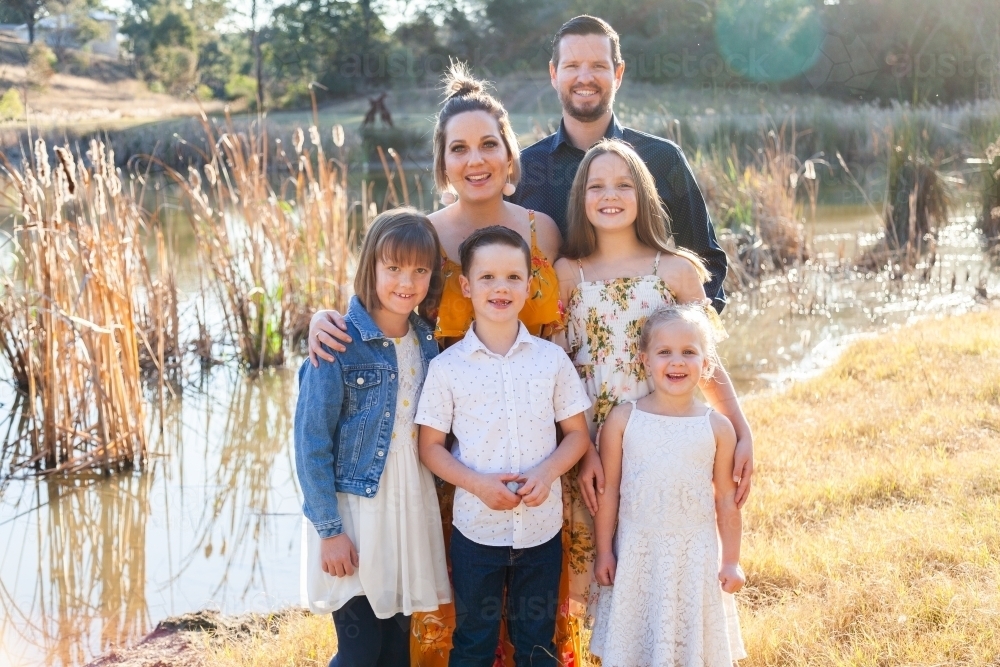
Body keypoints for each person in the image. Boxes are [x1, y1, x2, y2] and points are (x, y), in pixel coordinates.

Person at [552, 138, 752, 664]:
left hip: (661, 451)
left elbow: (705, 360)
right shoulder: (567, 275)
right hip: (591, 447)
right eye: (597, 185)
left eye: (623, 184)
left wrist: (742, 427)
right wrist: (582, 447)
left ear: (643, 194)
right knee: (602, 576)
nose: (610, 195)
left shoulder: (676, 270)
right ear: (581, 198)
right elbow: (554, 374)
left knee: (664, 569)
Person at [415, 226, 593, 667]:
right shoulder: (447, 368)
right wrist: (477, 485)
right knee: (474, 640)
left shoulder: (550, 360)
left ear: (529, 287)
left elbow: (577, 435)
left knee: (535, 644)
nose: (501, 288)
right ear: (466, 285)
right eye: (488, 277)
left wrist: (547, 472)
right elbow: (431, 447)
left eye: (514, 277)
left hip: (541, 531)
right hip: (477, 533)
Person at [294, 208, 451, 667]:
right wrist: (330, 531)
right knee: (360, 651)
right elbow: (311, 444)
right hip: (356, 516)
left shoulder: (426, 342)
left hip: (408, 513)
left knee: (396, 652)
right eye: (394, 267)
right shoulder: (338, 342)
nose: (408, 281)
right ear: (371, 267)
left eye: (420, 270)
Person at [510, 15, 729, 312]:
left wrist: (682, 339)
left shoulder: (663, 159)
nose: (584, 78)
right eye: (572, 66)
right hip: (554, 350)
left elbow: (707, 261)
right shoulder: (524, 169)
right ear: (553, 73)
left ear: (618, 73)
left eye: (598, 66)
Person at [588, 304, 746, 665]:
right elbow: (608, 491)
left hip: (695, 555)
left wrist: (731, 561)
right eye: (665, 352)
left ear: (706, 364)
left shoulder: (717, 427)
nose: (677, 362)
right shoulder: (623, 420)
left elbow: (725, 499)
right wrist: (605, 551)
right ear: (645, 359)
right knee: (638, 647)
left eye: (689, 352)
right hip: (638, 551)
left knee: (690, 647)